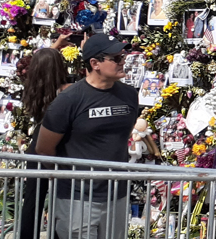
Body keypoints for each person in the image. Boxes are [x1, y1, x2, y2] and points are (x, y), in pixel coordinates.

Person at [36, 34, 138, 239]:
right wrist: (71, 179)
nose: (123, 62)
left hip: (117, 195)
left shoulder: (129, 95)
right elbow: (44, 149)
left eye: (123, 56)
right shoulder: (69, 100)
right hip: (77, 199)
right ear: (95, 63)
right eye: (116, 58)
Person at [19, 47, 72, 239]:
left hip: (37, 143)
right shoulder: (65, 91)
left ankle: (26, 235)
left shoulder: (32, 87)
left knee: (33, 196)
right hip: (58, 142)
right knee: (62, 193)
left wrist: (56, 44)